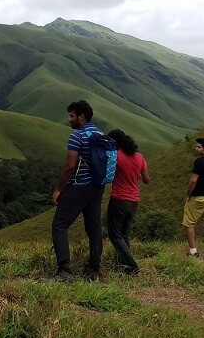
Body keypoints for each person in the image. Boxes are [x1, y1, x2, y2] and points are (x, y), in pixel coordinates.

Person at [46, 100, 106, 283]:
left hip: (79, 187)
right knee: (94, 228)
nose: (69, 119)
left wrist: (58, 189)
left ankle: (64, 272)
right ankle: (93, 269)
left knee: (59, 226)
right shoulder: (100, 134)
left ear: (81, 117)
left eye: (72, 116)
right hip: (97, 187)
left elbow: (70, 166)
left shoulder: (77, 136)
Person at [106, 129, 150, 275]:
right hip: (134, 201)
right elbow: (146, 180)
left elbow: (108, 175)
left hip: (119, 199)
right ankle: (124, 266)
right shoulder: (139, 156)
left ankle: (131, 265)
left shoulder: (116, 156)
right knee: (124, 234)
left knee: (114, 235)